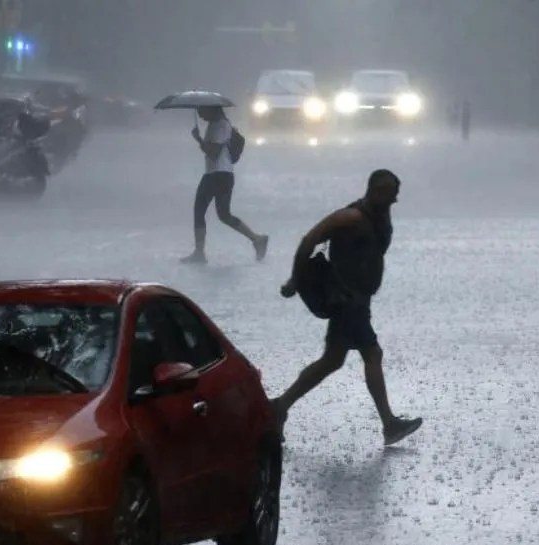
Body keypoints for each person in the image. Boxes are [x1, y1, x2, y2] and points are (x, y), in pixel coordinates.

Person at [271, 169, 423, 446]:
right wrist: (295, 280)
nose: (394, 201)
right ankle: (389, 424)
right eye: (390, 195)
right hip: (346, 301)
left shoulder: (380, 214)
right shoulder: (349, 218)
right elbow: (309, 240)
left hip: (358, 300)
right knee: (372, 353)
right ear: (376, 191)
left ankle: (279, 407)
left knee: (332, 360)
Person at [181, 105, 269, 264]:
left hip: (218, 174)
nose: (200, 114)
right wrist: (201, 141)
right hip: (220, 174)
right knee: (224, 215)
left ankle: (199, 253)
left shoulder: (221, 125)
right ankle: (257, 239)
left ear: (212, 109)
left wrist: (199, 139)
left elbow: (213, 153)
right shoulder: (215, 125)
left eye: (202, 110)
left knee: (201, 211)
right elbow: (212, 150)